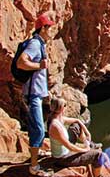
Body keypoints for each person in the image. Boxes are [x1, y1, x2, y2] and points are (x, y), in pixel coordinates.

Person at [17, 14, 55, 176]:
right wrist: (39, 65)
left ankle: (36, 155)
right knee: (39, 129)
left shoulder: (40, 44)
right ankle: (34, 168)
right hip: (33, 95)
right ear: (43, 28)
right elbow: (21, 62)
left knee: (38, 128)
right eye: (49, 28)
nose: (51, 31)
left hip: (38, 94)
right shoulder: (34, 43)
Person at [48, 97, 110, 177]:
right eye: (65, 105)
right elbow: (70, 147)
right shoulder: (55, 126)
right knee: (98, 155)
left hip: (66, 150)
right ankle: (97, 176)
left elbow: (76, 121)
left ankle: (89, 144)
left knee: (76, 126)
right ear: (62, 107)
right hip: (63, 158)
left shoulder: (59, 118)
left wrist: (87, 132)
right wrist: (84, 150)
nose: (66, 106)